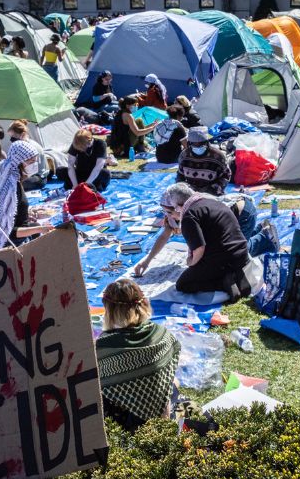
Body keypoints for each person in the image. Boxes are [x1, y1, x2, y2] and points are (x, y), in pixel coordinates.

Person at [134, 182, 252, 300]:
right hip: (242, 255)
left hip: (224, 259)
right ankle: (236, 273)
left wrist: (191, 263)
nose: (170, 217)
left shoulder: (189, 216)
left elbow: (199, 248)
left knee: (183, 284)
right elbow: (166, 235)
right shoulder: (209, 201)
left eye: (170, 212)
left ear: (178, 207)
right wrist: (147, 261)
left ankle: (225, 282)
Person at [95, 278, 181, 429]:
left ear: (110, 310)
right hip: (164, 409)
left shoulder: (105, 346)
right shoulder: (161, 333)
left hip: (133, 424)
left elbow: (101, 384)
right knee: (174, 382)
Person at [0, 140, 55, 251]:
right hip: (13, 247)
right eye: (31, 161)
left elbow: (14, 215)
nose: (35, 165)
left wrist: (26, 216)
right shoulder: (10, 189)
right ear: (20, 162)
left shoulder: (13, 179)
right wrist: (41, 229)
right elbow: (9, 233)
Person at [177, 128, 230, 196]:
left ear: (207, 142)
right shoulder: (184, 156)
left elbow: (226, 175)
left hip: (211, 193)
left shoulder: (218, 156)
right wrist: (183, 188)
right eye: (194, 144)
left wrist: (216, 188)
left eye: (201, 144)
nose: (198, 147)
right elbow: (180, 174)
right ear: (189, 143)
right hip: (190, 193)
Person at [6, 120, 49, 189]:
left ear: (22, 135)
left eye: (13, 137)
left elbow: (30, 172)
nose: (11, 140)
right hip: (30, 175)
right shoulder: (22, 145)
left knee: (12, 185)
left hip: (38, 178)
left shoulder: (30, 147)